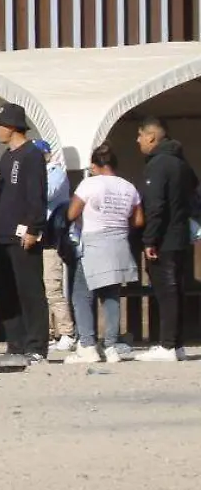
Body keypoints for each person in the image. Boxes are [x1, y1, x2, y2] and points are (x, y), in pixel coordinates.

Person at [64, 144, 143, 365]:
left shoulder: (89, 184)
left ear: (95, 165)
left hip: (94, 243)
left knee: (81, 295)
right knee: (111, 297)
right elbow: (138, 220)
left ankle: (87, 345)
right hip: (119, 243)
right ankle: (111, 346)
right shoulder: (129, 187)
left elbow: (72, 212)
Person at [0, 104, 50, 361]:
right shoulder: (6, 156)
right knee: (6, 291)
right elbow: (9, 194)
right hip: (3, 233)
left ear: (11, 126)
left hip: (23, 233)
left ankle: (37, 346)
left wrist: (33, 228)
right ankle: (15, 343)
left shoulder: (32, 155)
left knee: (30, 290)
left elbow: (36, 195)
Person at [135, 116, 195, 361]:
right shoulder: (182, 163)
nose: (137, 141)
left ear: (151, 137)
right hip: (180, 234)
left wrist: (150, 239)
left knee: (166, 291)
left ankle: (167, 345)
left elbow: (155, 205)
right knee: (176, 289)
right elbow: (193, 188)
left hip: (164, 238)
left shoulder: (158, 164)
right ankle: (176, 344)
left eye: (139, 136)